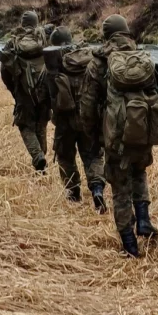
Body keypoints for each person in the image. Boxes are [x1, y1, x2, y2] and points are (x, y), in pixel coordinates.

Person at [80, 14, 158, 258]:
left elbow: (88, 105)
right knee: (139, 172)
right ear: (126, 32)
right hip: (142, 131)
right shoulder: (142, 56)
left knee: (120, 188)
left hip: (114, 135)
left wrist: (93, 135)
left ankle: (129, 245)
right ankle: (144, 220)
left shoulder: (98, 62)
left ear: (106, 35)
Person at [48, 26, 107, 212]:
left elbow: (49, 94)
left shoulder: (54, 62)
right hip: (89, 117)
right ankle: (97, 189)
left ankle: (74, 194)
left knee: (65, 156)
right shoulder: (89, 57)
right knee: (93, 155)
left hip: (65, 121)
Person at [1, 11, 50, 172]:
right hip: (45, 90)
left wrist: (15, 90)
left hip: (24, 92)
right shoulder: (45, 39)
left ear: (22, 24)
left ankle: (38, 157)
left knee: (25, 125)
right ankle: (41, 157)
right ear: (36, 23)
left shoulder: (12, 43)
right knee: (41, 123)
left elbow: (5, 71)